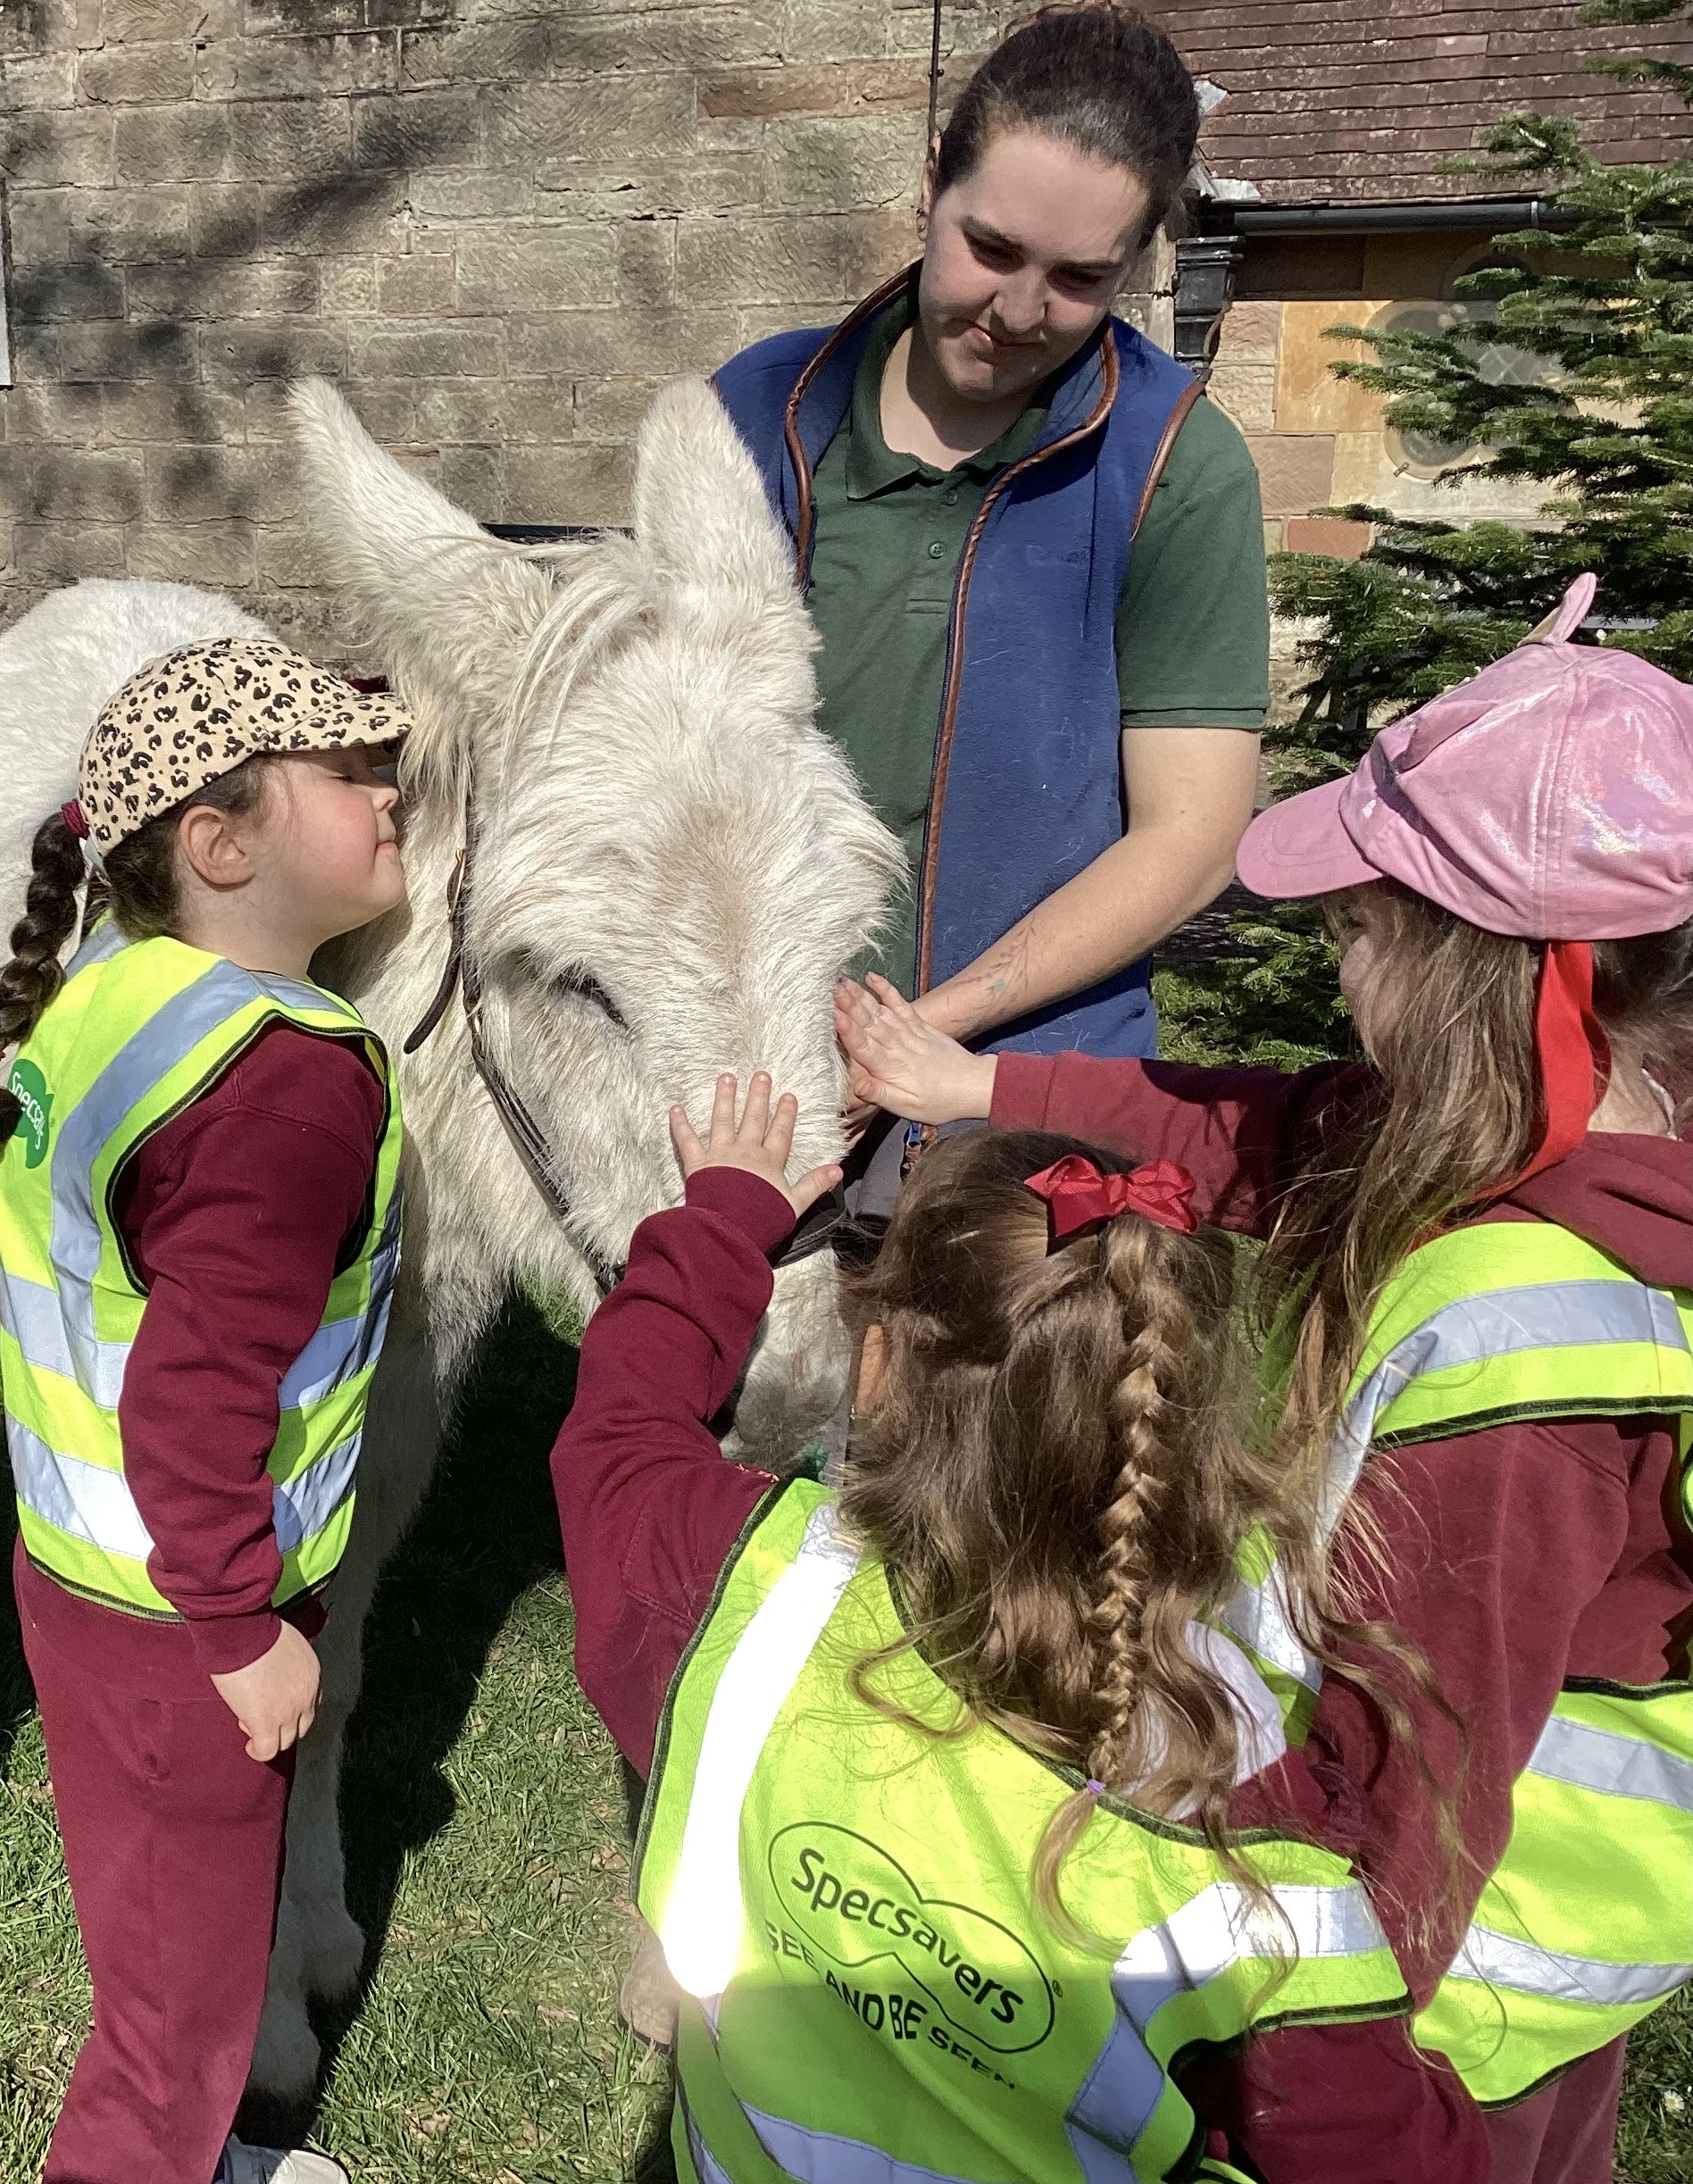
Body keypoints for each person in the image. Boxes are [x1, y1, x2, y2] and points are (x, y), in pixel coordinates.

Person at [836, 573, 1693, 2184]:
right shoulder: (1512, 1138)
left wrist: (1290, 2095)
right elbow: (1269, 1130)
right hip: (1496, 1990)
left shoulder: (1533, 1346)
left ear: (1494, 976)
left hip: (1426, 2037)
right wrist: (982, 1082)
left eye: (1363, 934)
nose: (1335, 973)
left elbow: (1405, 1788)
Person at [550, 1073, 1492, 2182]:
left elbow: (618, 1429)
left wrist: (722, 1216)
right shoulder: (1251, 1819)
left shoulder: (735, 1580)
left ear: (877, 1367)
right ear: (1180, 1425)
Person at [0, 638, 413, 2184]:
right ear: (220, 845)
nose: (392, 790)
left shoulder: (109, 989)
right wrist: (244, 1631)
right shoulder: (286, 1084)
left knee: (155, 1944)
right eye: (348, 770)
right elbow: (193, 1397)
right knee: (173, 2025)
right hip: (191, 1611)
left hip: (79, 1574)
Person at [714, 3, 1268, 1073]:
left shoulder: (1176, 468)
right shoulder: (757, 410)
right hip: (750, 1061)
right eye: (991, 247)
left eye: (1079, 278)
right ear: (931, 184)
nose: (1018, 310)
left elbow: (1191, 840)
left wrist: (930, 1034)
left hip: (1025, 1084)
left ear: (1139, 260)